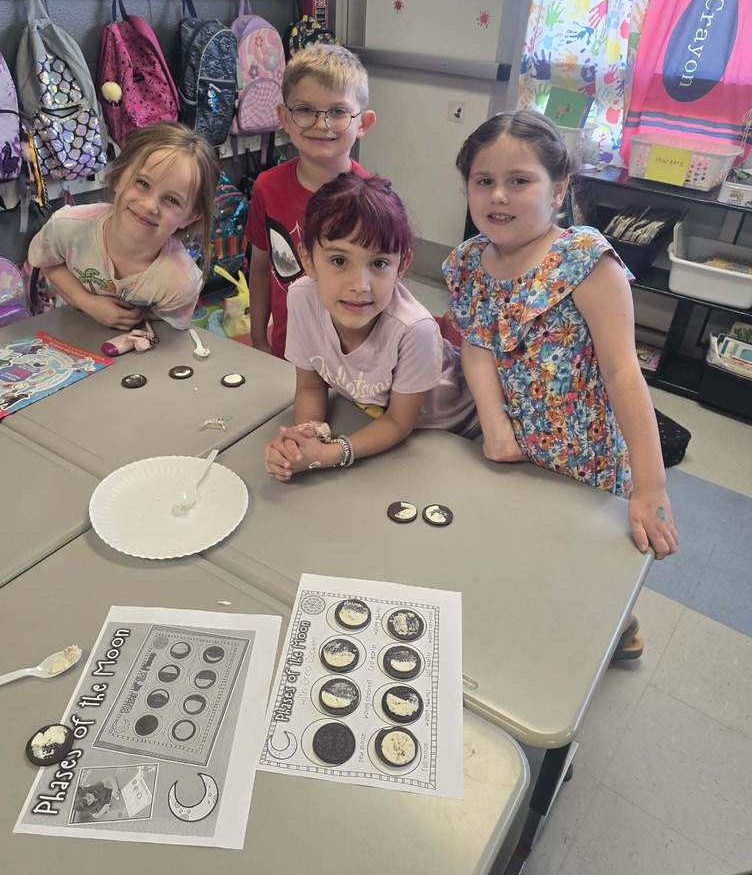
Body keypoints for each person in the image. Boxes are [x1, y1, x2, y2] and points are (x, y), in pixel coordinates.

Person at [443, 110, 679, 660]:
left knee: (590, 564)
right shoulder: (469, 264)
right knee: (523, 548)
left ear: (559, 189)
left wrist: (651, 487)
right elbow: (477, 343)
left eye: (519, 180)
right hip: (513, 450)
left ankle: (620, 628)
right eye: (484, 182)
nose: (498, 196)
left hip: (586, 458)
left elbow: (624, 374)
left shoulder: (588, 264)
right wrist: (497, 429)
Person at [264, 173, 478, 479]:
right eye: (339, 261)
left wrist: (330, 454)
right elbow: (311, 386)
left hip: (456, 431)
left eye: (378, 264)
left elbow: (398, 423)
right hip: (381, 421)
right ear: (308, 259)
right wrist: (301, 443)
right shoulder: (302, 297)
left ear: (401, 265)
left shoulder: (414, 329)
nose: (359, 285)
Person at [247, 44, 375, 358]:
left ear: (363, 123)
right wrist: (258, 339)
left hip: (352, 358)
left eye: (337, 111)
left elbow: (382, 288)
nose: (321, 124)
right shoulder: (267, 187)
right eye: (305, 109)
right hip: (285, 350)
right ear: (284, 118)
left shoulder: (373, 201)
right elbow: (261, 269)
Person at [27, 122, 218, 331]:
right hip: (62, 331)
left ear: (190, 216)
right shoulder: (66, 227)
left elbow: (166, 335)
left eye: (171, 200)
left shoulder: (181, 281)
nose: (149, 206)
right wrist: (87, 302)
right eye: (143, 183)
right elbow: (48, 262)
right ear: (118, 178)